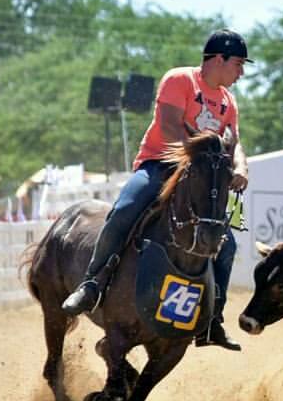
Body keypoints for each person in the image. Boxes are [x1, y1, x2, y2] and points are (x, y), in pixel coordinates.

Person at [60, 29, 251, 351]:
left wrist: (241, 167)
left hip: (200, 179)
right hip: (159, 165)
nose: (241, 72)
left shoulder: (228, 102)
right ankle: (92, 284)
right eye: (238, 64)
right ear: (218, 59)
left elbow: (235, 140)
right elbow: (169, 124)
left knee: (226, 244)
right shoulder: (181, 80)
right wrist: (195, 155)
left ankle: (212, 322)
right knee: (124, 210)